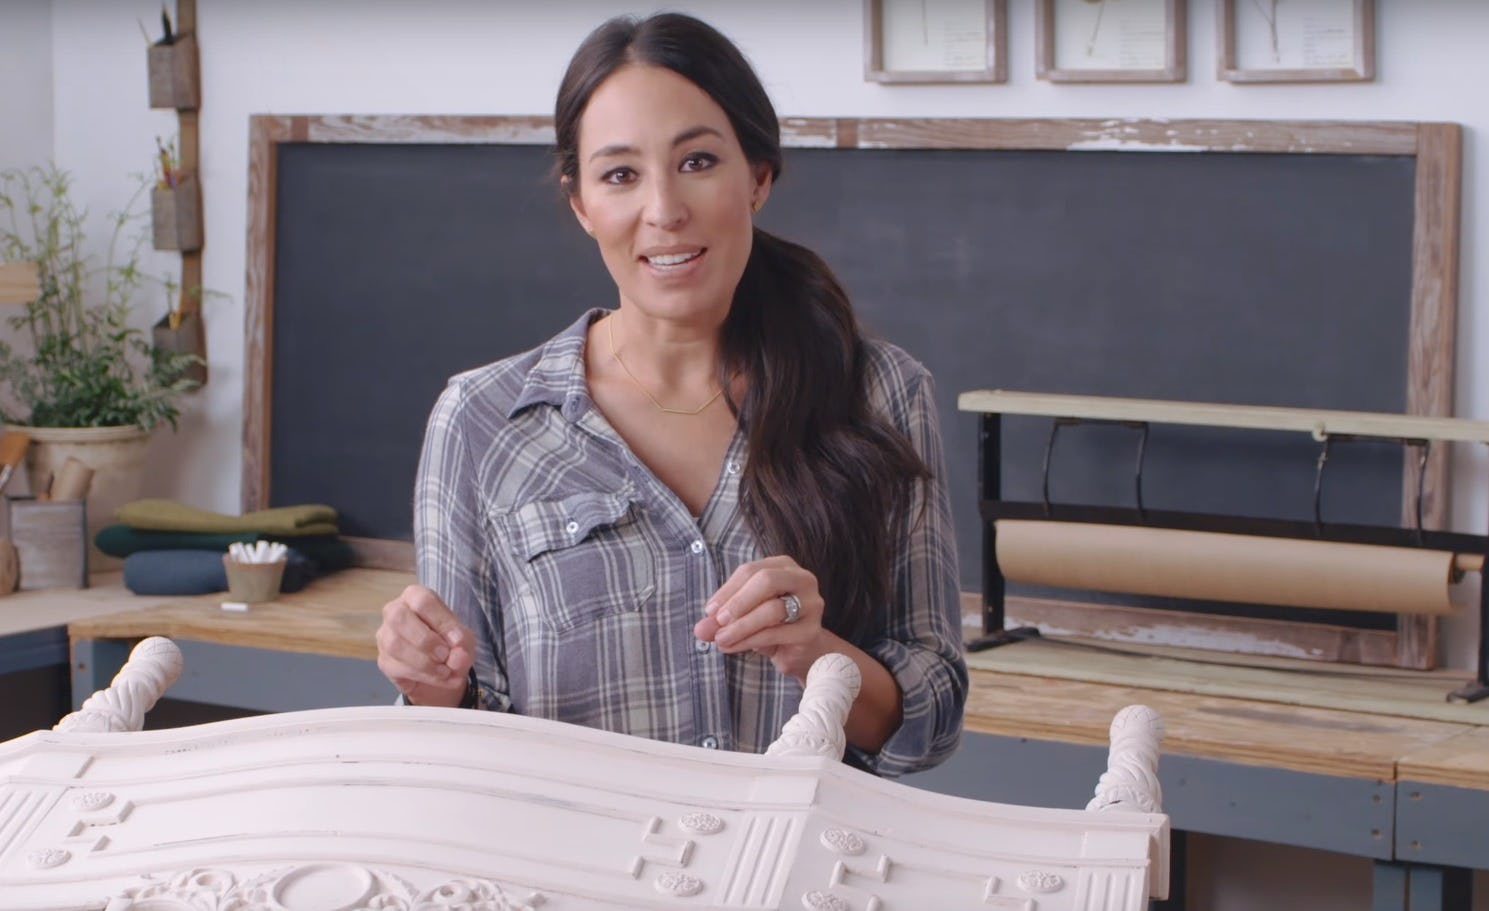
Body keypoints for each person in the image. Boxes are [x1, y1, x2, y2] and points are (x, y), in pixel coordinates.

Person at [375, 11, 967, 777]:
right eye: (620, 174)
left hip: (797, 855)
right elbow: (459, 739)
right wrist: (433, 689)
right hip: (572, 852)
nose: (663, 209)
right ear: (582, 204)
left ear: (757, 176)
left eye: (697, 161)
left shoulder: (881, 394)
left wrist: (816, 652)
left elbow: (934, 717)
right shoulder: (481, 419)